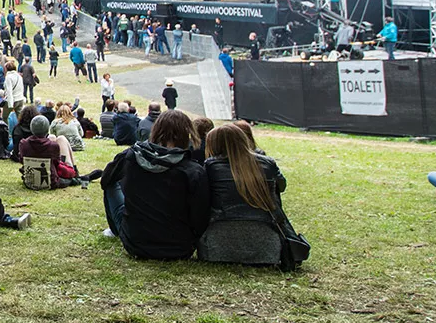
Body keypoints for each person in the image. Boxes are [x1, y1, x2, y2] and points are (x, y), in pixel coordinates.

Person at [96, 109, 209, 260]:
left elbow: (106, 180)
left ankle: (115, 229)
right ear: (187, 135)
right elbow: (200, 216)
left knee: (110, 180)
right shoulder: (194, 171)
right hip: (180, 247)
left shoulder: (130, 157)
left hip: (135, 243)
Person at [200, 123, 301, 265]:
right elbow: (281, 186)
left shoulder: (211, 166)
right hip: (268, 246)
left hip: (218, 246)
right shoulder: (267, 163)